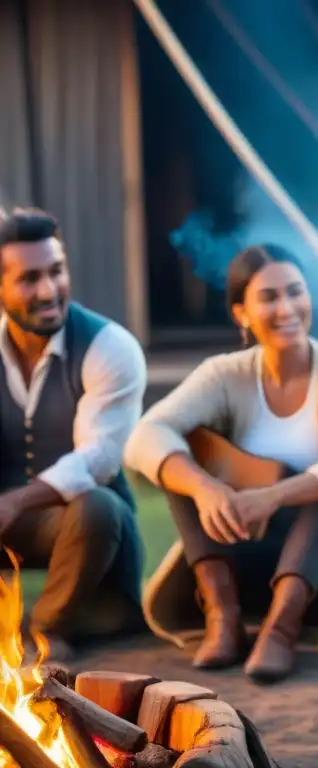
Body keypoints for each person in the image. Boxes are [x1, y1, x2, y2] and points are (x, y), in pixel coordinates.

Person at [124, 244, 318, 684]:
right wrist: (204, 488)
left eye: (295, 292)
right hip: (258, 563)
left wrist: (274, 496)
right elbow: (144, 436)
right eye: (269, 297)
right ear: (241, 314)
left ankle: (282, 630)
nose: (286, 308)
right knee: (185, 456)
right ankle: (222, 616)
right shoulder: (225, 374)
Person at [0, 208, 148, 661]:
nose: (49, 291)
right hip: (11, 526)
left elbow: (98, 459)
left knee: (98, 503)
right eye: (29, 279)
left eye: (57, 272)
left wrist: (15, 501)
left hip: (87, 531)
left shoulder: (110, 346)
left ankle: (49, 629)